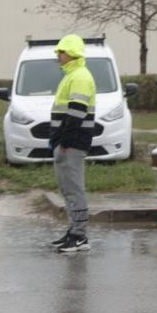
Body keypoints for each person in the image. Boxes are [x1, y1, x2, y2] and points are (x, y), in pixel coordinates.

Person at [49, 34, 98, 254]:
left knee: (74, 189)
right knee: (67, 189)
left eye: (61, 52)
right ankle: (74, 231)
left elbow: (76, 113)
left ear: (71, 53)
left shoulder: (80, 77)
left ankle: (80, 236)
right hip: (66, 142)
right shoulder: (72, 75)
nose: (58, 56)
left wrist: (65, 141)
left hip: (72, 143)